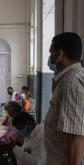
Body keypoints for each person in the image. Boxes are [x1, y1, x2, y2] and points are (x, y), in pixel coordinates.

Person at [44, 32, 84, 165]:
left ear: (60, 53)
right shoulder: (66, 79)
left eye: (51, 52)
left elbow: (76, 137)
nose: (50, 57)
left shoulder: (71, 82)